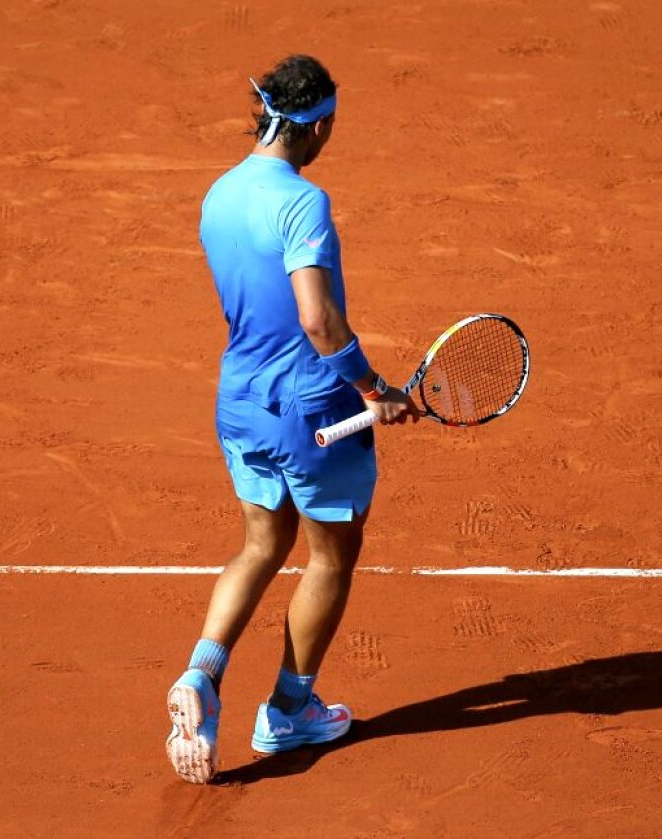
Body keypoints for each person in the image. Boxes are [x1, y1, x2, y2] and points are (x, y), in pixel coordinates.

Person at [165, 54, 418, 785]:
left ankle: (202, 678)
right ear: (320, 123)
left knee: (260, 543)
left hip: (239, 401)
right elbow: (316, 317)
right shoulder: (302, 202)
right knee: (332, 556)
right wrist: (375, 388)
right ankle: (287, 711)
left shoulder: (219, 193)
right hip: (312, 407)